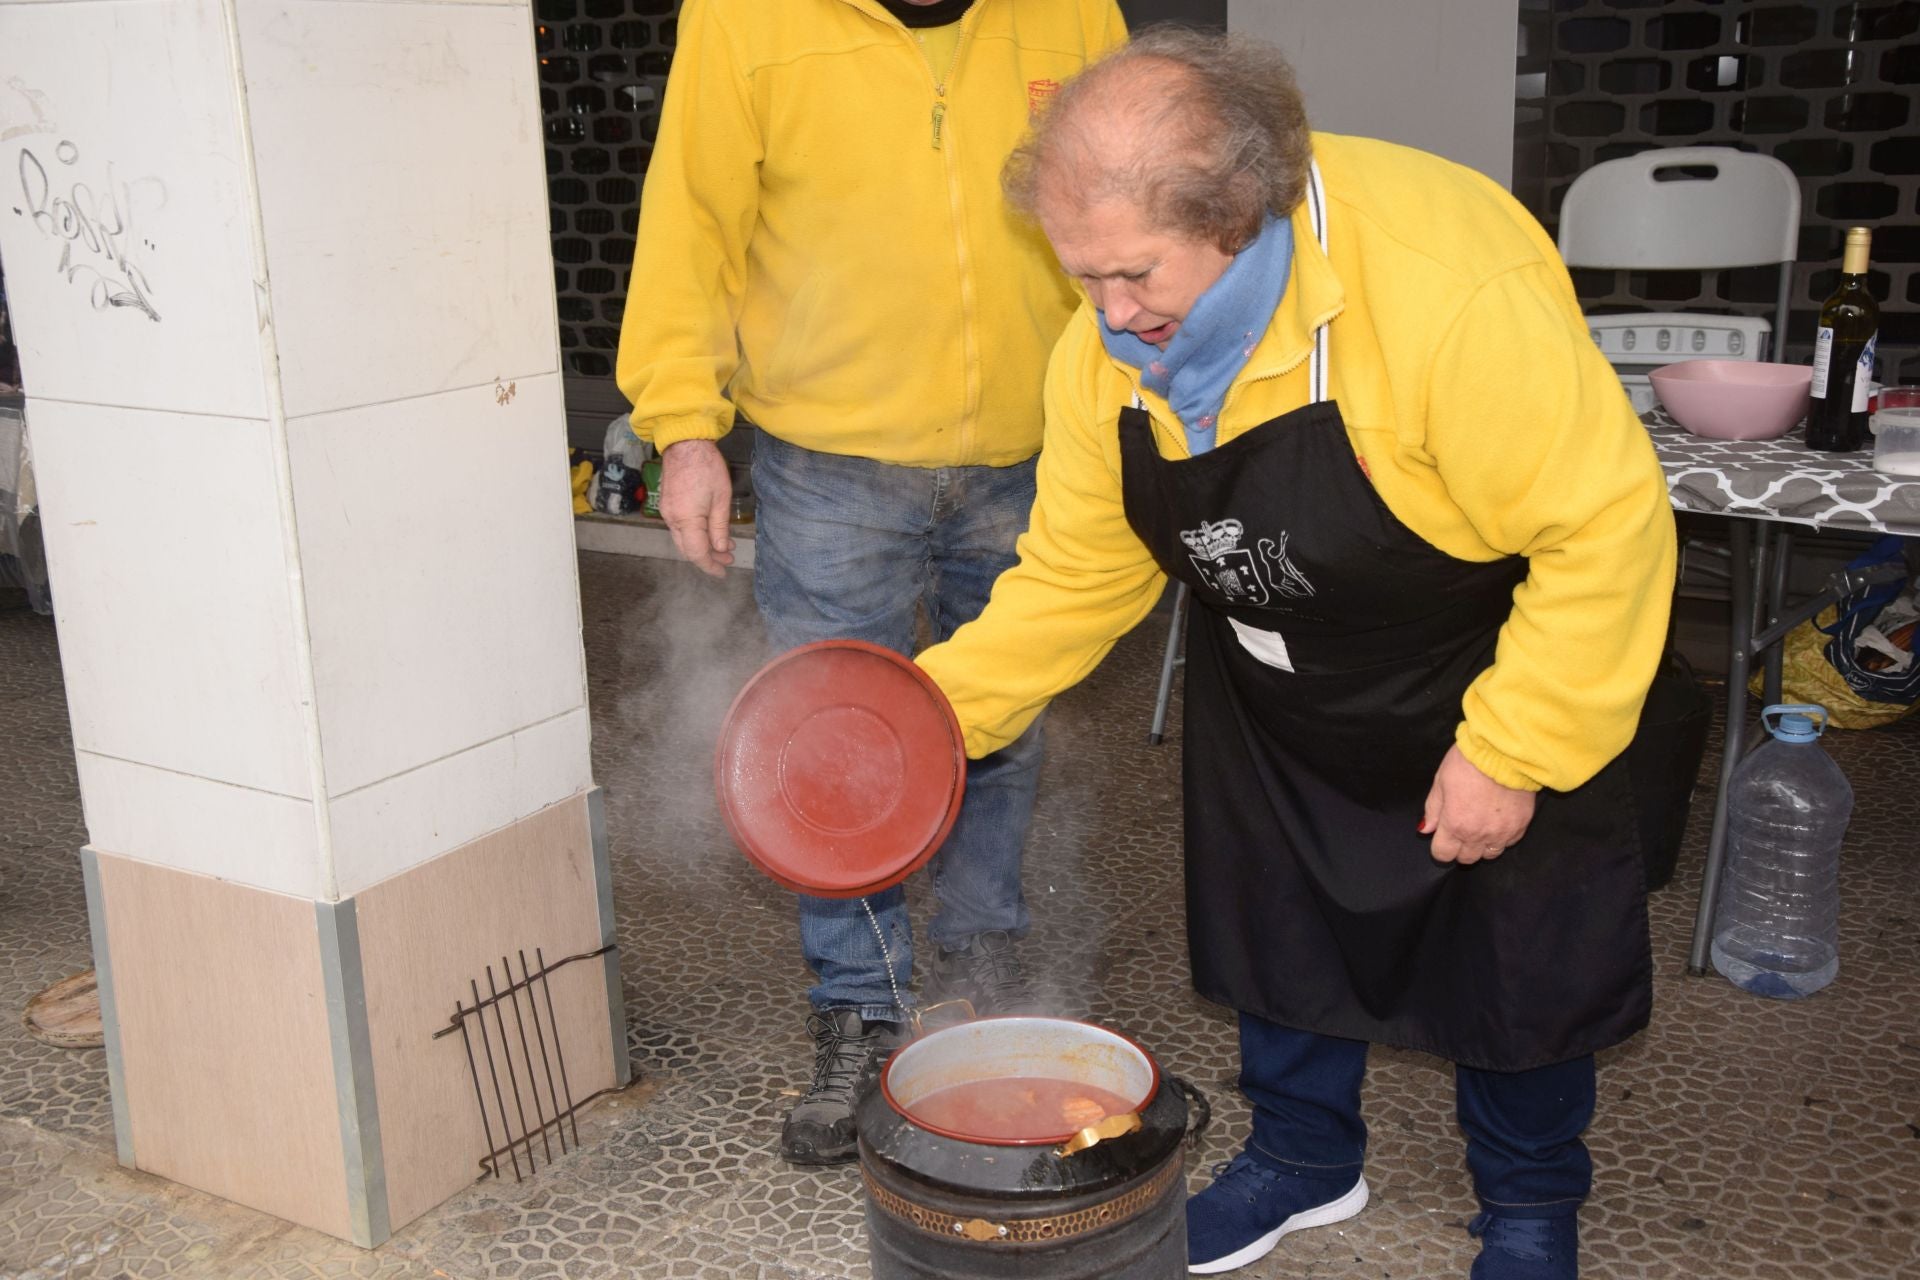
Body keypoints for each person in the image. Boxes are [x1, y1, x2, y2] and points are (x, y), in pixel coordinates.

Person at [913, 28, 1676, 1280]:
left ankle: (1532, 1203)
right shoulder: (1101, 349)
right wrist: (936, 712)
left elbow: (1606, 526)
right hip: (1276, 674)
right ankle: (1303, 1155)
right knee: (1276, 920)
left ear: (1241, 210)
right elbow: (1075, 568)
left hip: (1479, 658)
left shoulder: (1443, 284)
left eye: (1134, 276)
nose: (1107, 314)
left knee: (1518, 957)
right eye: (1081, 276)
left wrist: (1517, 744)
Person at [614, 0, 1128, 1167]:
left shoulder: (1073, 10)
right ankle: (861, 1008)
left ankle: (985, 972)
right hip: (830, 461)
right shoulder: (743, 19)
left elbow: (1134, 192)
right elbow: (690, 222)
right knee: (832, 753)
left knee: (999, 724)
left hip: (1039, 440)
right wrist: (685, 426)